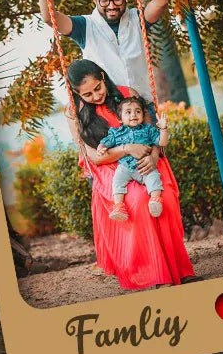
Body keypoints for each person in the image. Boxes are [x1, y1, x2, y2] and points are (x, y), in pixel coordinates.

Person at [65, 59, 194, 290]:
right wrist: (126, 149)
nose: (96, 96)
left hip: (146, 159)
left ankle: (181, 271)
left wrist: (154, 156)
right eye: (87, 94)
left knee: (163, 199)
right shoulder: (75, 114)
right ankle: (156, 275)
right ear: (76, 93)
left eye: (98, 88)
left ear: (103, 78)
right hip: (111, 167)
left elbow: (152, 133)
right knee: (136, 200)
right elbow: (95, 157)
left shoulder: (128, 95)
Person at [29, 0, 167, 104]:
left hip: (143, 105)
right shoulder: (84, 26)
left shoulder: (136, 18)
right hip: (109, 112)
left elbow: (161, 2)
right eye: (104, 0)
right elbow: (48, 17)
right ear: (94, 0)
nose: (111, 6)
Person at [97, 96, 168, 222]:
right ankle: (119, 206)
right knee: (117, 181)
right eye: (128, 112)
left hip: (144, 166)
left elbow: (162, 143)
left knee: (154, 177)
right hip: (125, 166)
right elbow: (107, 142)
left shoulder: (148, 130)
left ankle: (155, 201)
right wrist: (101, 147)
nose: (133, 114)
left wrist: (163, 129)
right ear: (120, 118)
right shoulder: (116, 132)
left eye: (137, 111)